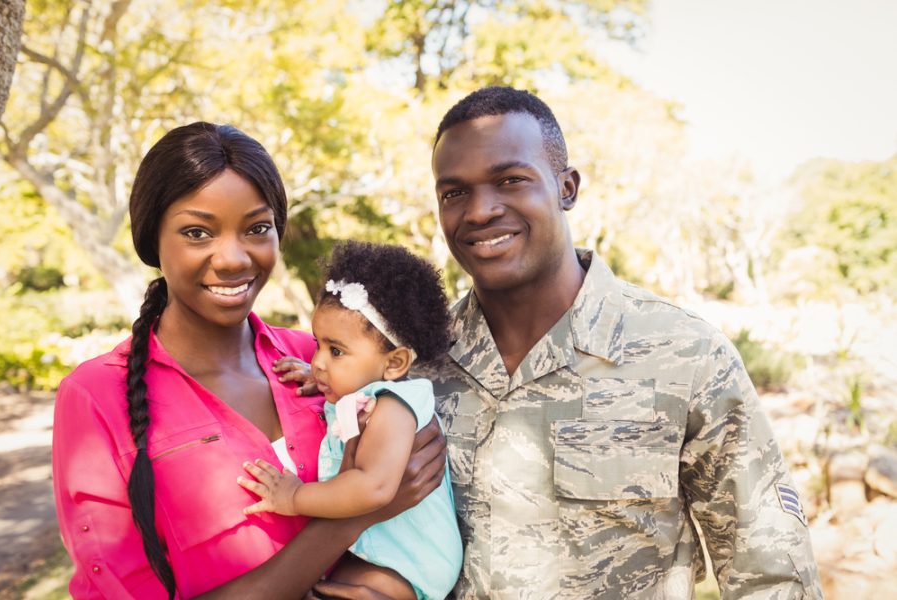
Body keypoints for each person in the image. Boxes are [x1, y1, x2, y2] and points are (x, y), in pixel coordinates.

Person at [421, 86, 824, 598]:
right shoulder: (416, 364)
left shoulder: (687, 355)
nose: (479, 211)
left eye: (510, 180)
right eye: (454, 192)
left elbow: (770, 571)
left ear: (566, 187)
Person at [51, 122, 446, 600]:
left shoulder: (319, 359)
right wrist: (357, 513)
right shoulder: (96, 397)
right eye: (197, 232)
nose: (234, 258)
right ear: (152, 239)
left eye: (257, 228)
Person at [237, 240, 463, 600]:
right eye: (317, 345)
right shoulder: (364, 395)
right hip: (383, 555)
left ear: (394, 363)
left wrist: (295, 497)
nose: (318, 361)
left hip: (407, 564)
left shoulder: (395, 405)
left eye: (336, 351)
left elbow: (373, 486)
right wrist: (329, 381)